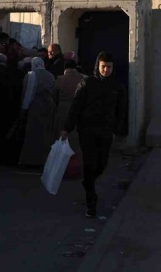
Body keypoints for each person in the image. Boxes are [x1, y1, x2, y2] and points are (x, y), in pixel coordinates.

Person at [61, 52, 127, 218]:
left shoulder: (117, 87)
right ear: (98, 66)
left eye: (109, 67)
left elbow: (121, 111)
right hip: (87, 131)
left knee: (102, 164)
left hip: (106, 132)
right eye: (103, 66)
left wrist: (117, 130)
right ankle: (91, 201)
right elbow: (76, 107)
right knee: (89, 163)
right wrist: (67, 128)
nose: (106, 70)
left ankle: (87, 182)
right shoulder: (87, 83)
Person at [18, 57, 56, 166]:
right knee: (46, 133)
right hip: (48, 105)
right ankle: (44, 159)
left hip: (35, 105)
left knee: (33, 132)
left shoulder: (31, 75)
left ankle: (30, 160)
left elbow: (27, 92)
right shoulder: (50, 75)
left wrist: (23, 109)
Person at [52, 59, 85, 167]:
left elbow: (54, 95)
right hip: (78, 110)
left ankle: (62, 163)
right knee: (76, 138)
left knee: (62, 136)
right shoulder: (82, 79)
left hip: (62, 109)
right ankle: (76, 162)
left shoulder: (60, 79)